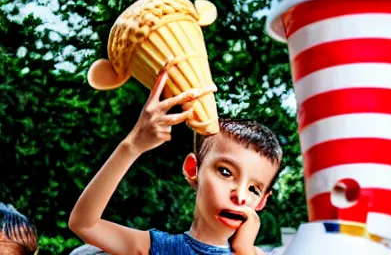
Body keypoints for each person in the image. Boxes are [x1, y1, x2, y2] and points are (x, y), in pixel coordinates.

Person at [69, 65, 283, 255]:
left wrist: (244, 251)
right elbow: (84, 224)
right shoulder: (160, 248)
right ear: (193, 169)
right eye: (225, 172)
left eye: (254, 189)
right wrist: (132, 145)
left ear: (263, 200)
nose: (240, 196)